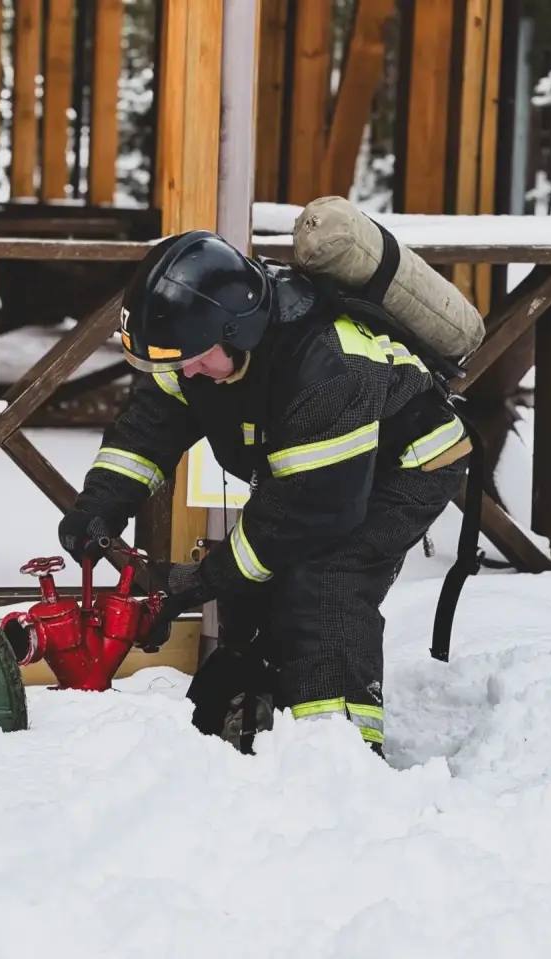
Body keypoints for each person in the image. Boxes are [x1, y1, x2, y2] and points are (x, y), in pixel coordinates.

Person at [57, 230, 470, 754]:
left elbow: (310, 514)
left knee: (326, 583)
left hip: (408, 465)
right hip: (315, 476)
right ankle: (259, 714)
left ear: (238, 330)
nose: (185, 371)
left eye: (194, 358)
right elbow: (145, 430)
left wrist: (200, 580)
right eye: (174, 359)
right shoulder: (194, 350)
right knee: (255, 582)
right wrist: (97, 509)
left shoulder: (327, 366)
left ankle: (341, 755)